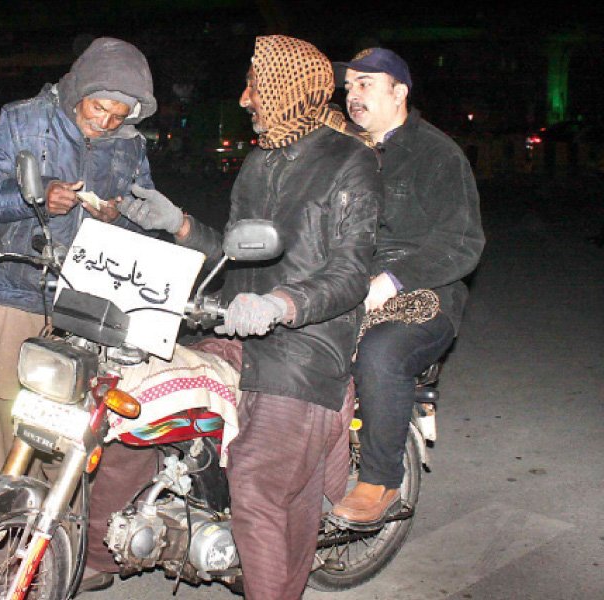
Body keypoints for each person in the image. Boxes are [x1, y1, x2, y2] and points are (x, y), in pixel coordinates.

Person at [82, 35, 383, 599]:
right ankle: (102, 555)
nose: (246, 99)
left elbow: (348, 274)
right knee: (126, 412)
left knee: (259, 488)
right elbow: (236, 256)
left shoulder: (351, 162)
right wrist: (178, 225)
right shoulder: (259, 162)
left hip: (304, 353)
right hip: (237, 336)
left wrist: (282, 305)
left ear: (286, 90)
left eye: (255, 86)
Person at [0, 37, 158, 478]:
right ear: (79, 92)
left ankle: (57, 531)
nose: (104, 123)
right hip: (20, 291)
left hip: (87, 302)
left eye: (117, 116)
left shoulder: (130, 144)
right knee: (12, 413)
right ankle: (2, 524)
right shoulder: (23, 121)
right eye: (97, 109)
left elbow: (144, 216)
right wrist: (35, 198)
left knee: (74, 422)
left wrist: (120, 215)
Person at [330, 48, 485, 527]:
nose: (353, 95)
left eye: (367, 84)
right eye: (350, 85)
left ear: (400, 92)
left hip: (426, 295)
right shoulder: (343, 149)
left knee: (382, 353)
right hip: (348, 287)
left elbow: (463, 242)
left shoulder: (437, 154)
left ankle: (380, 481)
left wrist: (393, 280)